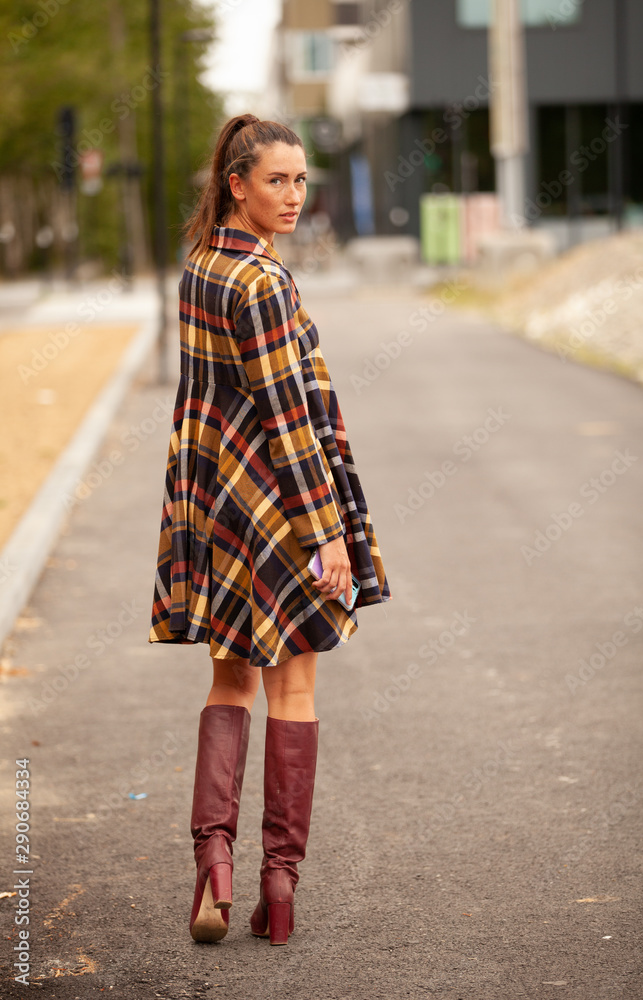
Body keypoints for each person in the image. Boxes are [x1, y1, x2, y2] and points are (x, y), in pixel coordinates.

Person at [148, 114, 391, 945]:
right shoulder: (262, 282)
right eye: (276, 181)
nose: (292, 196)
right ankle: (277, 889)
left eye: (300, 180)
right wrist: (325, 532)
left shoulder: (200, 269)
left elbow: (201, 404)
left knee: (227, 684)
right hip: (280, 509)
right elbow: (289, 418)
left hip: (217, 505)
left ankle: (211, 861)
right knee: (293, 688)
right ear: (235, 185)